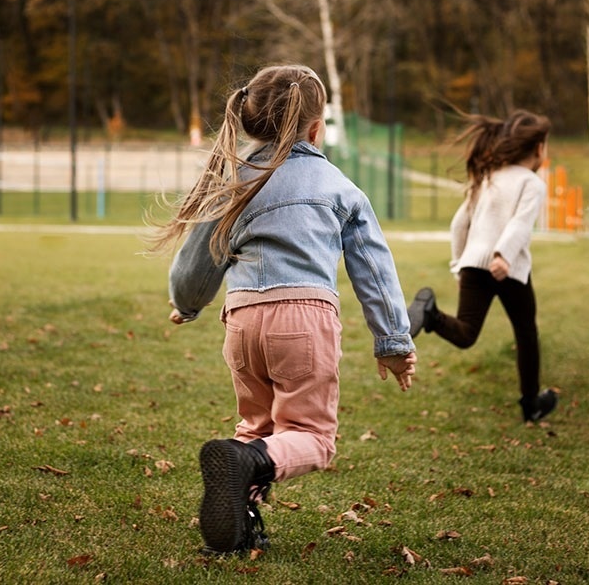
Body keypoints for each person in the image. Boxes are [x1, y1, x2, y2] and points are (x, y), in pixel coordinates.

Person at [151, 64, 418, 556]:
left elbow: (198, 257)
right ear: (316, 128)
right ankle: (245, 470)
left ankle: (237, 529)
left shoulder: (236, 180)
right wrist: (394, 343)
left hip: (242, 321)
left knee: (256, 433)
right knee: (313, 437)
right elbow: (374, 270)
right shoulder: (337, 185)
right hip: (304, 319)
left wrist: (186, 305)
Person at [407, 110, 558, 423]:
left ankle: (431, 314)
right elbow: (521, 223)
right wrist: (503, 255)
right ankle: (531, 405)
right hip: (508, 269)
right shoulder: (532, 183)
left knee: (466, 334)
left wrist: (458, 265)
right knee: (526, 333)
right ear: (539, 148)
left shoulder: (488, 177)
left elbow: (458, 224)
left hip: (473, 265)